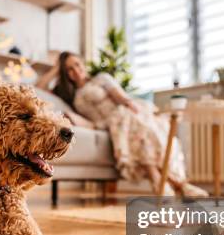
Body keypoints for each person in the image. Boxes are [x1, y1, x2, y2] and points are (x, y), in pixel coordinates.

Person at [36, 51, 207, 197]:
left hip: (121, 113)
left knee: (136, 128)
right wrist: (56, 68)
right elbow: (40, 87)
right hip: (106, 124)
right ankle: (178, 185)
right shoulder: (69, 95)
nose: (75, 71)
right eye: (69, 69)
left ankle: (159, 182)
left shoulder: (101, 79)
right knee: (130, 129)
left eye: (77, 65)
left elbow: (119, 97)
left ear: (83, 64)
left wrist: (132, 107)